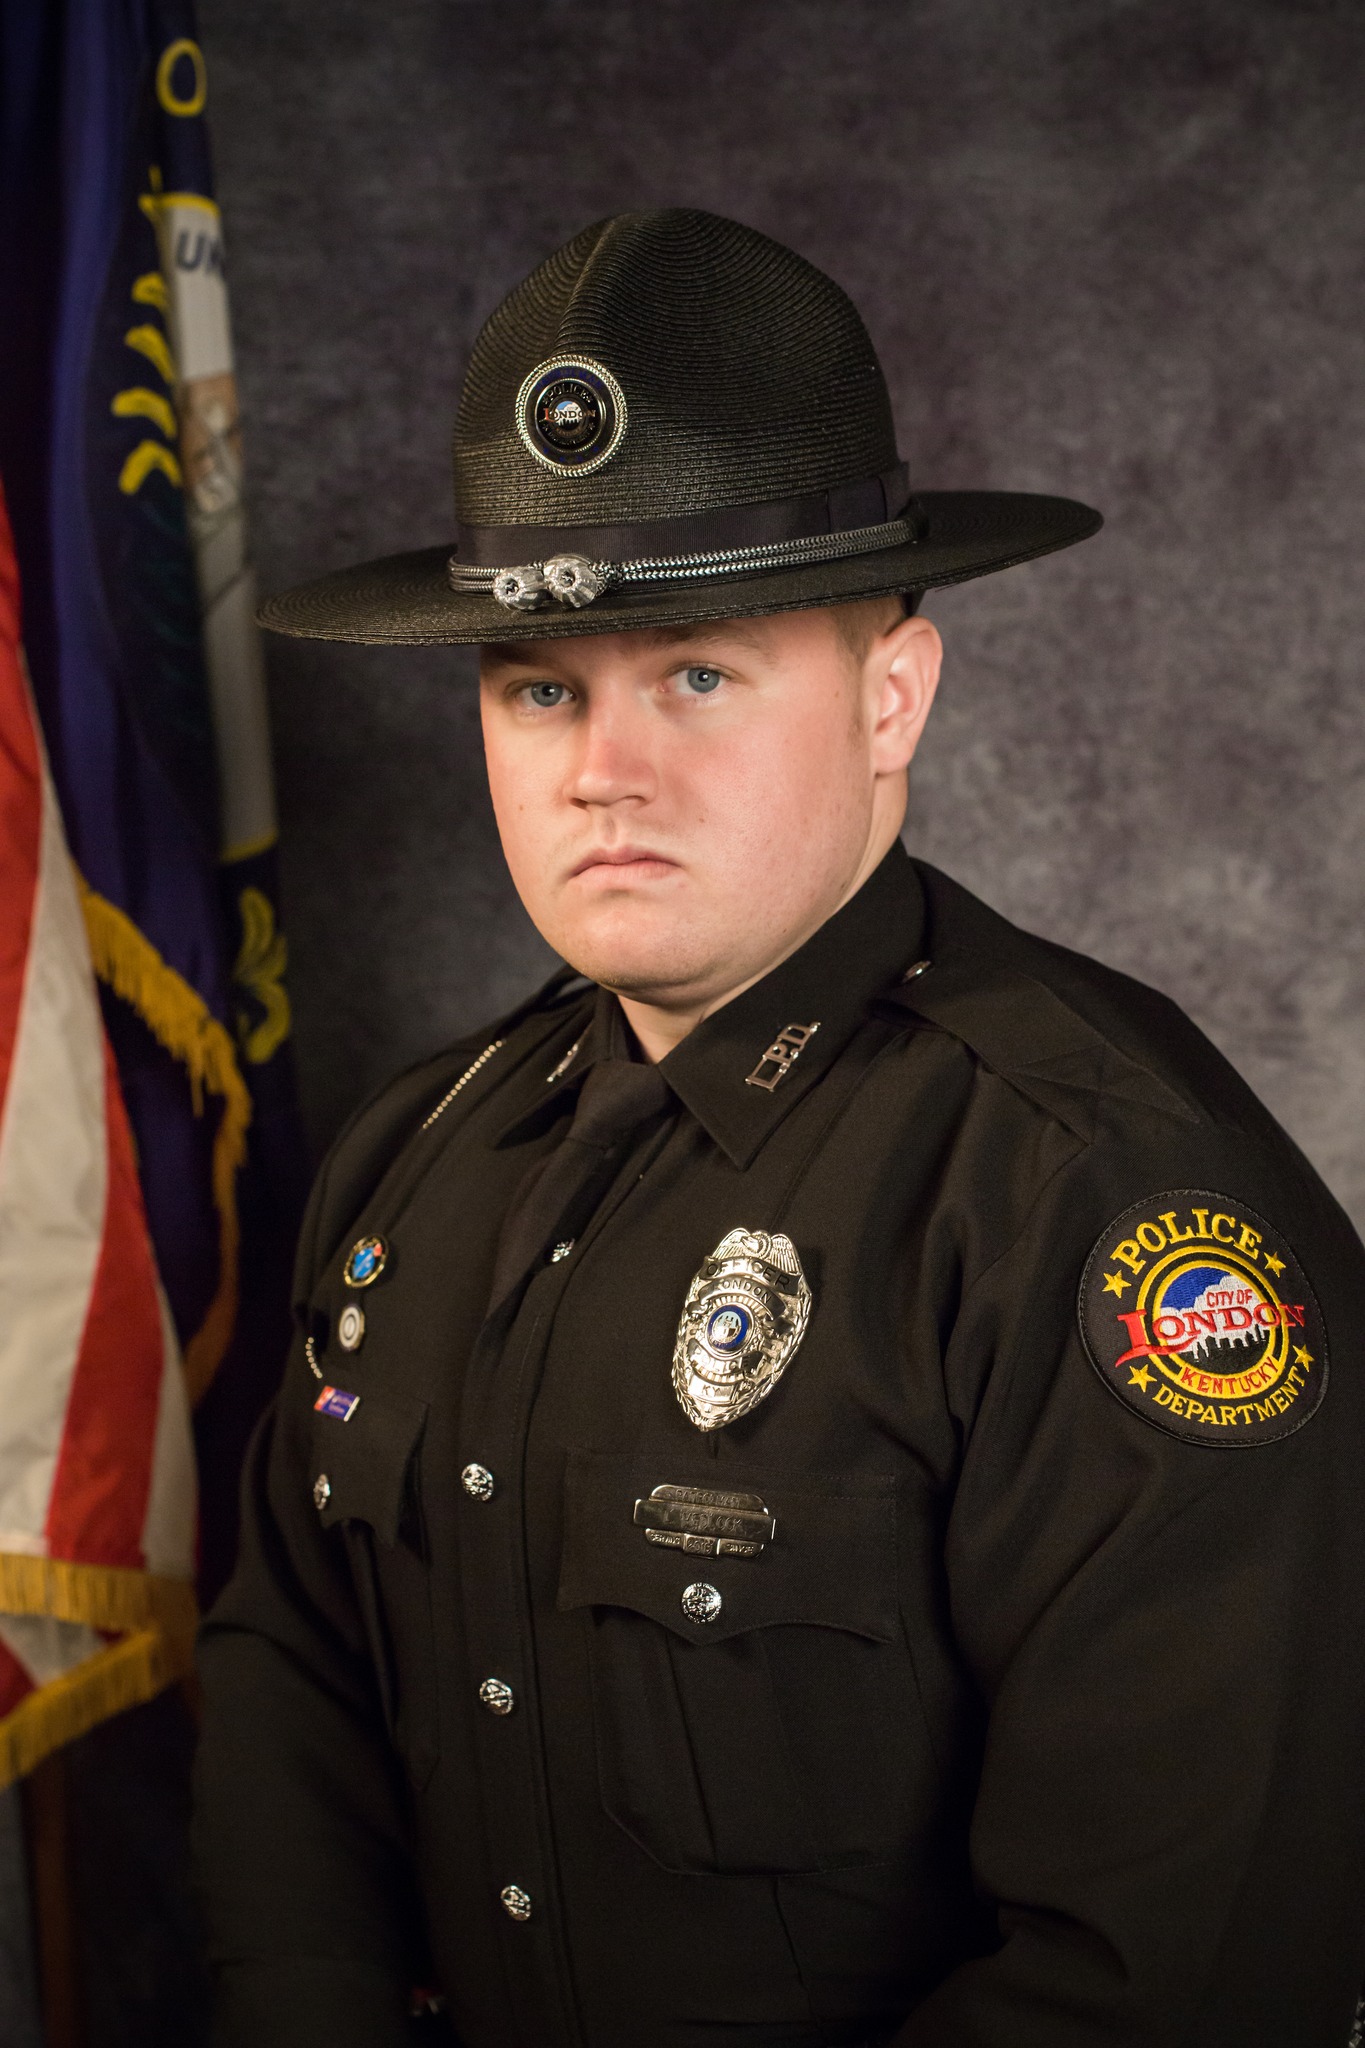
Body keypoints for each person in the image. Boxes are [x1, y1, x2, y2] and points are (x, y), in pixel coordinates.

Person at [194, 209, 1365, 2048]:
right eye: (540, 690)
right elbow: (292, 1679)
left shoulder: (1095, 1193)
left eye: (697, 675)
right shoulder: (417, 1157)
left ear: (890, 698)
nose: (603, 771)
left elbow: (1177, 1974)